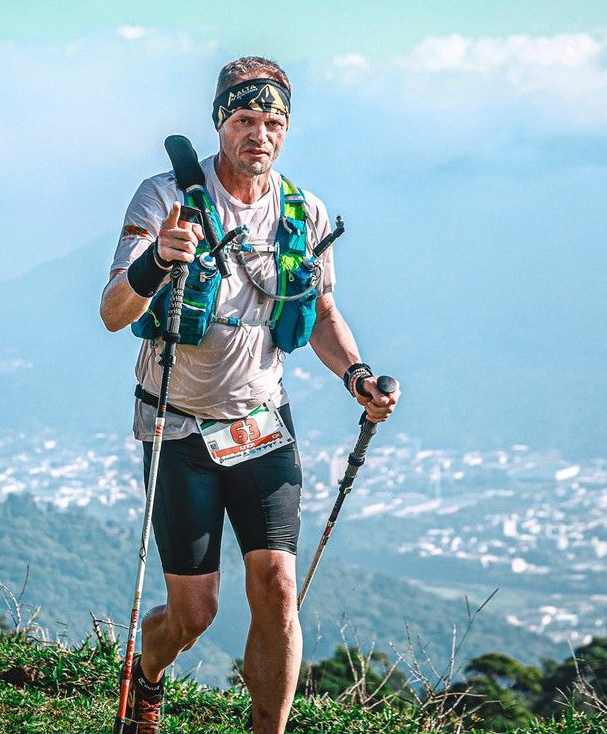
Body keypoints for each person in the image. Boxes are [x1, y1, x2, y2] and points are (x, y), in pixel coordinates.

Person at [99, 55, 399, 734]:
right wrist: (157, 260)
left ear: (286, 130)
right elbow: (114, 311)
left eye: (271, 121)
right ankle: (147, 677)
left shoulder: (303, 212)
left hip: (261, 422)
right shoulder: (164, 198)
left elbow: (321, 313)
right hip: (176, 425)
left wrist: (357, 377)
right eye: (243, 119)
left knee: (278, 589)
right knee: (193, 614)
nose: (257, 133)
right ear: (220, 123)